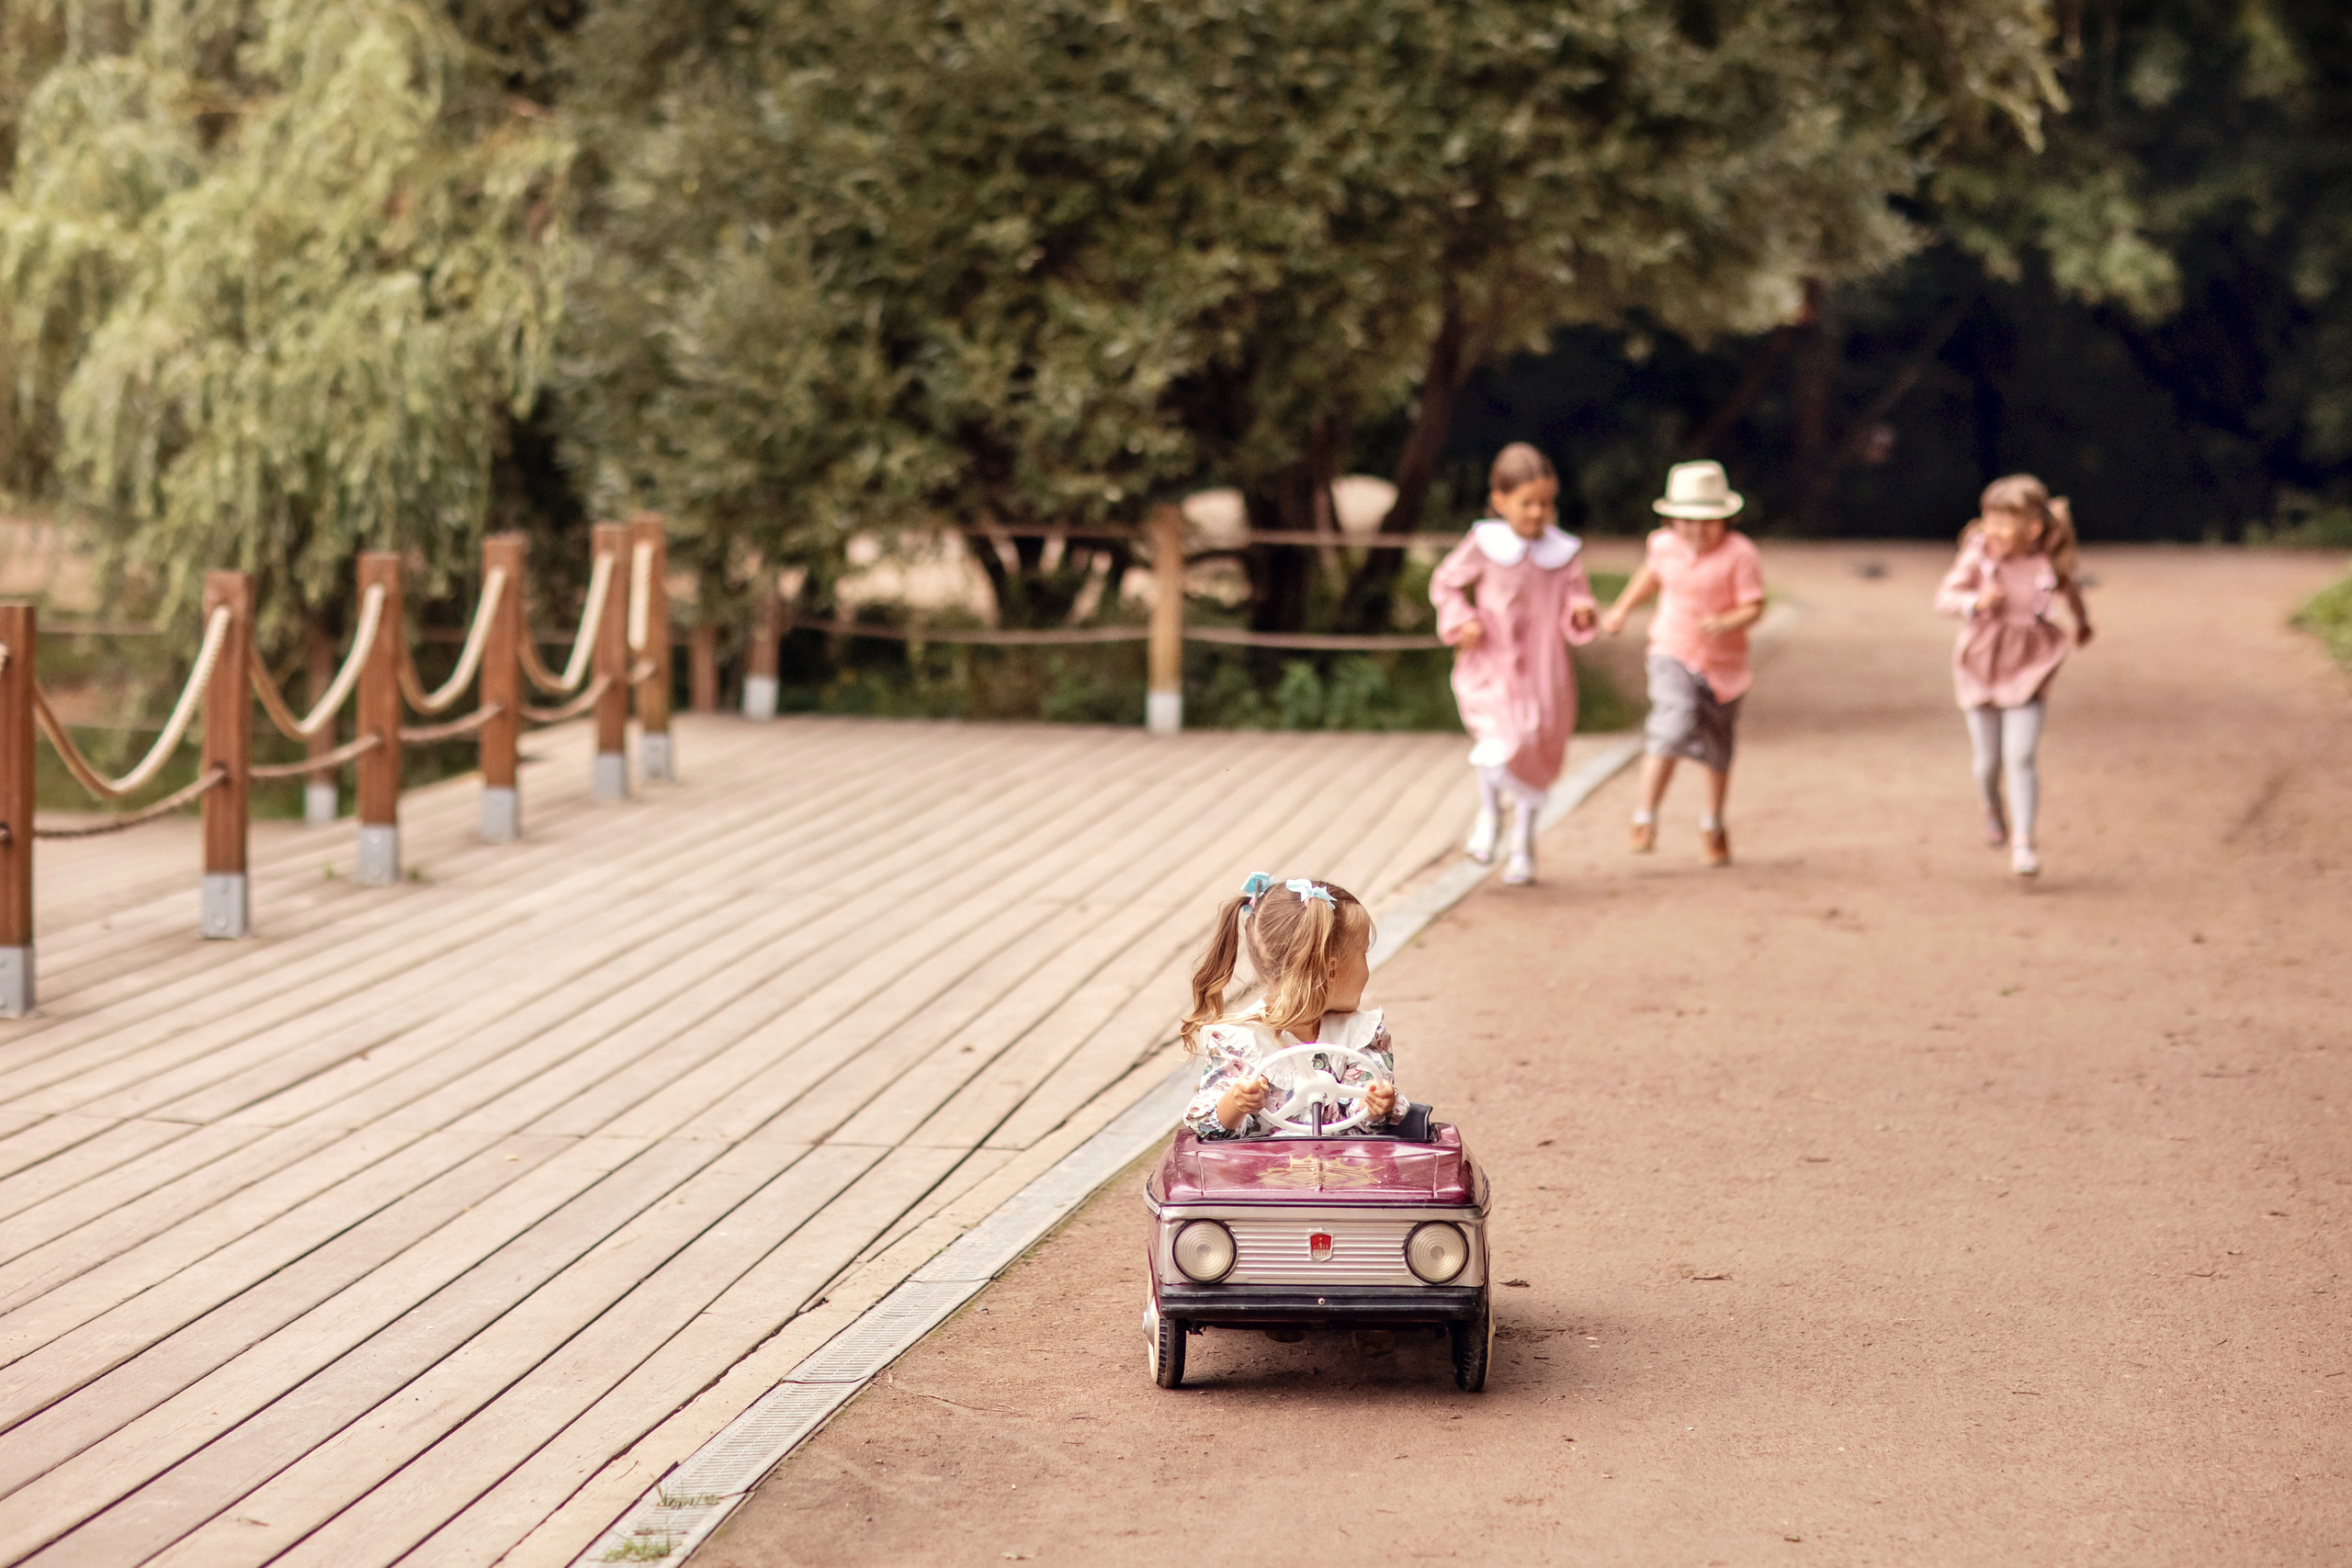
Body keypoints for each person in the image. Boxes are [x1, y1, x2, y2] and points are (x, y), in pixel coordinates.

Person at [1429, 444, 1600, 886]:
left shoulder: (1563, 552)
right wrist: (1462, 620)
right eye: (1528, 503)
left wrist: (1581, 611)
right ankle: (1489, 815)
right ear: (1501, 500)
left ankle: (1523, 842)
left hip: (1544, 670)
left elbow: (1577, 597)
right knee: (1498, 741)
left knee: (1534, 746)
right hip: (1493, 660)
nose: (1538, 513)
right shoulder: (1485, 544)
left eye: (1546, 503)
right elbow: (1445, 583)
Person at [1600, 459, 1766, 866]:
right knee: (1671, 722)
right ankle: (1644, 816)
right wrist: (1621, 608)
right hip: (1672, 649)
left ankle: (1713, 824)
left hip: (1723, 665)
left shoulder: (1740, 554)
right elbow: (1650, 577)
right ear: (1671, 519)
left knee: (1718, 747)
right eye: (1687, 520)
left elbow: (1754, 605)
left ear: (1726, 518)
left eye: (1707, 521)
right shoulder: (1662, 546)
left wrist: (1726, 622)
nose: (1697, 530)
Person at [1934, 473, 2094, 877]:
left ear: (2033, 528)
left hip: (2029, 664)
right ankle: (1991, 806)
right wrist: (1975, 601)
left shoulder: (2046, 561)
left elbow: (2071, 589)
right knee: (1988, 762)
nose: (1994, 530)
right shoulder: (1977, 557)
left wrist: (2082, 623)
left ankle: (2024, 842)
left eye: (2005, 522)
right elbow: (1944, 598)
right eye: (1990, 519)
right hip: (1981, 663)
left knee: (2021, 756)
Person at [1182, 874, 1399, 1139]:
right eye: (1363, 954)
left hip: (1345, 1162)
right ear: (1331, 970)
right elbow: (1206, 1127)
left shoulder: (1362, 1033)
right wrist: (1236, 1103)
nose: (1367, 968)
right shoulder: (1239, 1041)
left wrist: (1374, 1105)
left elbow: (1367, 1119)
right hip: (1260, 1165)